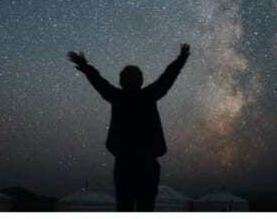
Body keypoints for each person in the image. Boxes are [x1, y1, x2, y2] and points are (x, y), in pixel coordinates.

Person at [67, 44, 190, 212]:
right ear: (140, 80)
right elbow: (167, 78)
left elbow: (99, 82)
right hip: (147, 163)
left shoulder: (117, 97)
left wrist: (85, 66)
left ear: (121, 81)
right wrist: (181, 59)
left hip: (125, 163)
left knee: (124, 206)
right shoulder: (149, 95)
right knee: (145, 206)